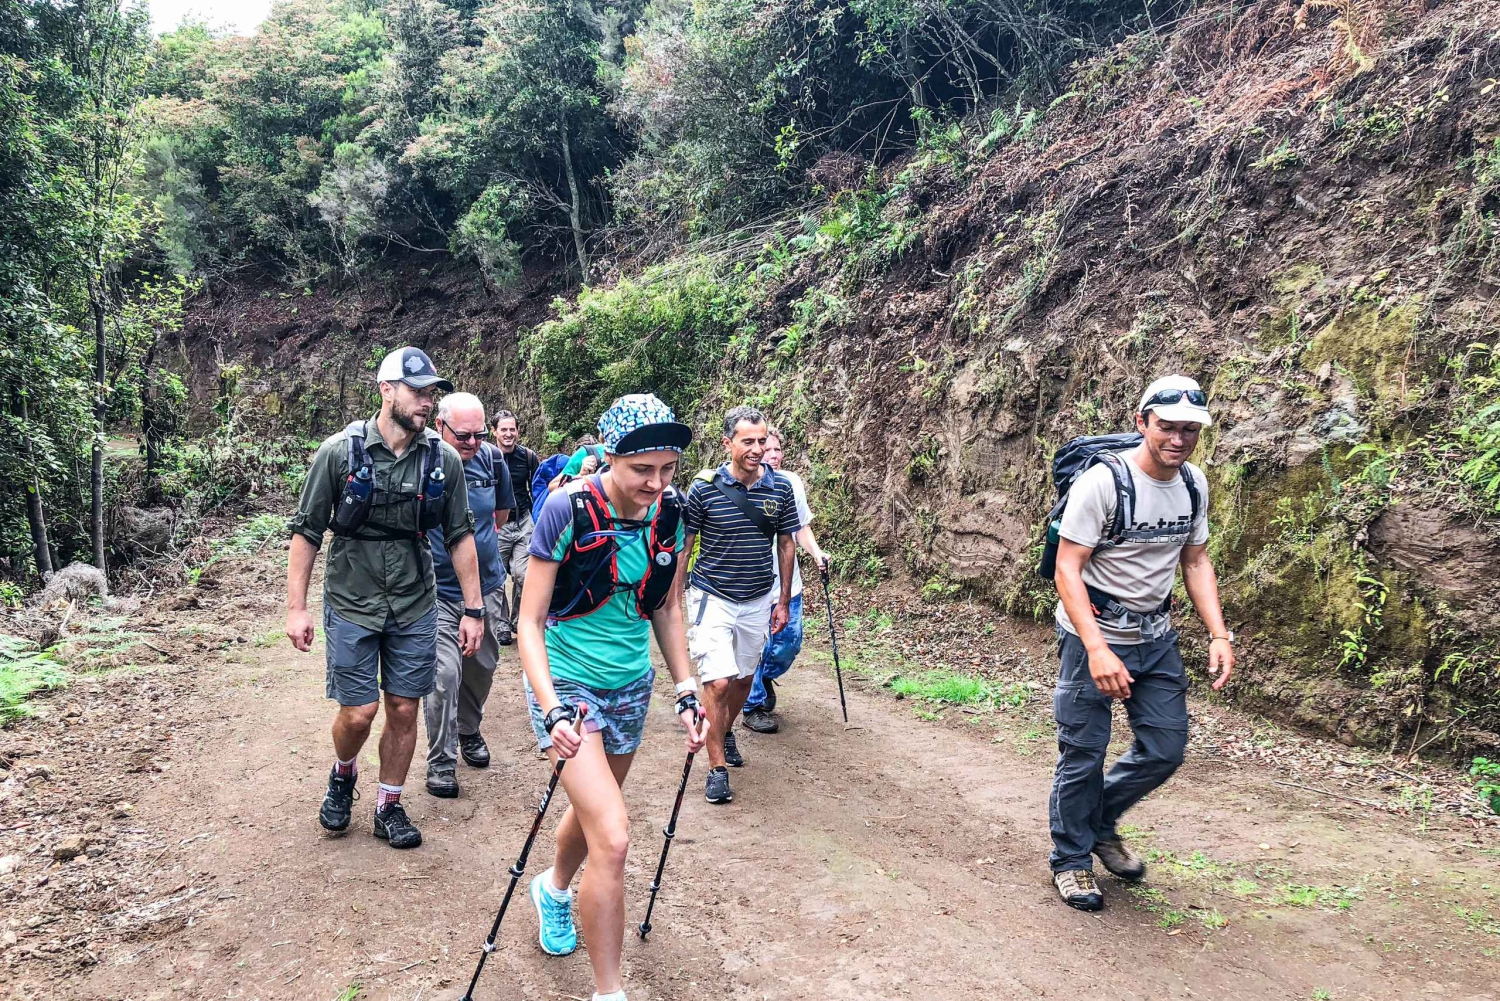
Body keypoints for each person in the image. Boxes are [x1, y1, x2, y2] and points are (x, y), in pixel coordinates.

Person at [518, 393, 708, 1001]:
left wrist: (686, 689)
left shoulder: (672, 515)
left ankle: (553, 887)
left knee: (597, 816)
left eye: (667, 469)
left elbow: (666, 605)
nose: (656, 483)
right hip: (567, 682)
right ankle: (610, 992)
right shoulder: (564, 508)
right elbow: (529, 621)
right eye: (642, 469)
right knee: (617, 837)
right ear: (610, 456)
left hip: (631, 685)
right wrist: (549, 708)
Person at [1048, 375, 1235, 910]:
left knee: (1165, 748)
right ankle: (1072, 860)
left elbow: (1195, 559)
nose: (1178, 439)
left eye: (1189, 430)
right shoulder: (1102, 485)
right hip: (1095, 634)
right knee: (1082, 753)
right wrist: (1097, 648)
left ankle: (1098, 820)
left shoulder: (1193, 483)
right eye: (1166, 427)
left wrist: (1218, 633)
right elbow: (1068, 569)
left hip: (1155, 636)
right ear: (1142, 423)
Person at [286, 346, 482, 850]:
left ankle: (389, 804)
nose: (425, 402)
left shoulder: (441, 459)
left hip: (415, 601)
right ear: (386, 390)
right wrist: (297, 607)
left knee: (402, 708)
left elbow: (460, 535)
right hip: (352, 599)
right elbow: (307, 534)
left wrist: (474, 608)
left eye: (430, 393)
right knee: (359, 713)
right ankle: (343, 773)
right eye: (417, 392)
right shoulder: (339, 453)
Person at [679, 405, 801, 805]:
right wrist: (673, 598)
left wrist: (782, 601)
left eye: (762, 441)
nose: (757, 448)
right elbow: (687, 545)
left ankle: (725, 728)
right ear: (727, 443)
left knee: (744, 680)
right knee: (716, 681)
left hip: (757, 598)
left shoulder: (780, 489)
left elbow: (786, 544)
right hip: (712, 596)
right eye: (748, 441)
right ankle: (717, 768)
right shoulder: (704, 488)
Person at [422, 393, 516, 798]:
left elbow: (500, 515)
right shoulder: (421, 460)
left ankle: (468, 728)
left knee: (481, 666)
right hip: (436, 589)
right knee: (443, 674)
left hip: (488, 584)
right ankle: (441, 761)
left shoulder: (492, 459)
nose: (473, 443)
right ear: (439, 426)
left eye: (479, 434)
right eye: (464, 436)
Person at [740, 426, 830, 734]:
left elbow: (801, 527)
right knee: (752, 645)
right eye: (767, 449)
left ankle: (763, 677)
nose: (773, 455)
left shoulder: (791, 483)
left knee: (789, 643)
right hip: (752, 585)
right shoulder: (742, 485)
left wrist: (817, 553)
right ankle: (752, 705)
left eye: (776, 449)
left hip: (787, 583)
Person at [493, 409, 540, 645]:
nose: (509, 434)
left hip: (524, 522)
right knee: (497, 576)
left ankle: (519, 619)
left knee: (525, 574)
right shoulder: (487, 457)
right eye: (504, 430)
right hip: (497, 526)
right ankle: (501, 625)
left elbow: (538, 488)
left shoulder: (528, 457)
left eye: (512, 429)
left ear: (518, 431)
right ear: (494, 432)